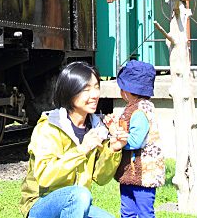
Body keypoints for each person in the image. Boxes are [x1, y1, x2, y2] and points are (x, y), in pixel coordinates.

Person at [20, 62, 129, 218]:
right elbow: (45, 177)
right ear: (70, 93)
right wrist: (81, 150)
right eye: (86, 89)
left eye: (97, 87)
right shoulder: (50, 127)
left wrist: (113, 148)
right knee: (79, 194)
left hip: (77, 203)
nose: (95, 95)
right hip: (41, 204)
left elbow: (101, 178)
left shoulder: (95, 126)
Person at [113, 60, 165, 218]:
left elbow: (135, 141)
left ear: (127, 91)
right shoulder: (134, 108)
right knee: (127, 210)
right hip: (130, 173)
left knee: (144, 212)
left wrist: (117, 140)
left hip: (144, 175)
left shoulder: (140, 111)